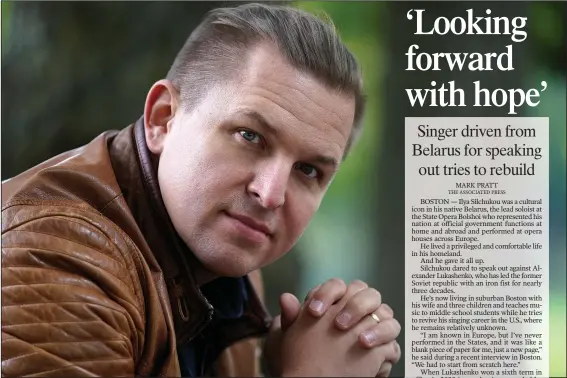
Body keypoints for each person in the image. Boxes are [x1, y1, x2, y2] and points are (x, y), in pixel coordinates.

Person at [1, 3, 401, 377]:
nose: (271, 194)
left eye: (308, 170)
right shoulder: (57, 253)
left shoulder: (229, 271)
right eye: (250, 136)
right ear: (163, 119)